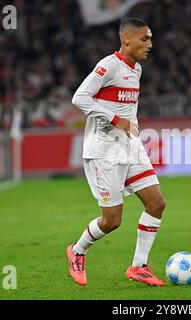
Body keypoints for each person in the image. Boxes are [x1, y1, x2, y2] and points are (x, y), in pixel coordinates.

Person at [67, 18, 166, 287]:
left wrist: (130, 128)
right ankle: (77, 250)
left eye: (150, 38)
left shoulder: (137, 70)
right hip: (104, 150)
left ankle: (139, 267)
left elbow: (127, 110)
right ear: (126, 39)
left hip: (129, 146)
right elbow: (80, 97)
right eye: (144, 39)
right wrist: (114, 120)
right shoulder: (108, 66)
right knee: (112, 221)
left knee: (157, 203)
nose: (150, 44)